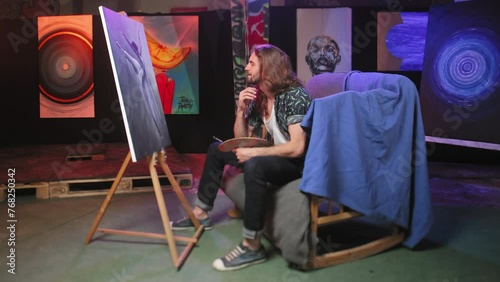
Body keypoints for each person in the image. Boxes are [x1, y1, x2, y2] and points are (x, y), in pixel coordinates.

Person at [172, 44, 312, 271]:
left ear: (268, 67)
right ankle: (200, 214)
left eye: (252, 63)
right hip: (275, 155)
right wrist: (240, 110)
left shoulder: (294, 95)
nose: (246, 67)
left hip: (298, 164)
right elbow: (242, 139)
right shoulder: (261, 98)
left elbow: (297, 148)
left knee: (255, 164)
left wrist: (255, 152)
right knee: (217, 149)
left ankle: (252, 245)